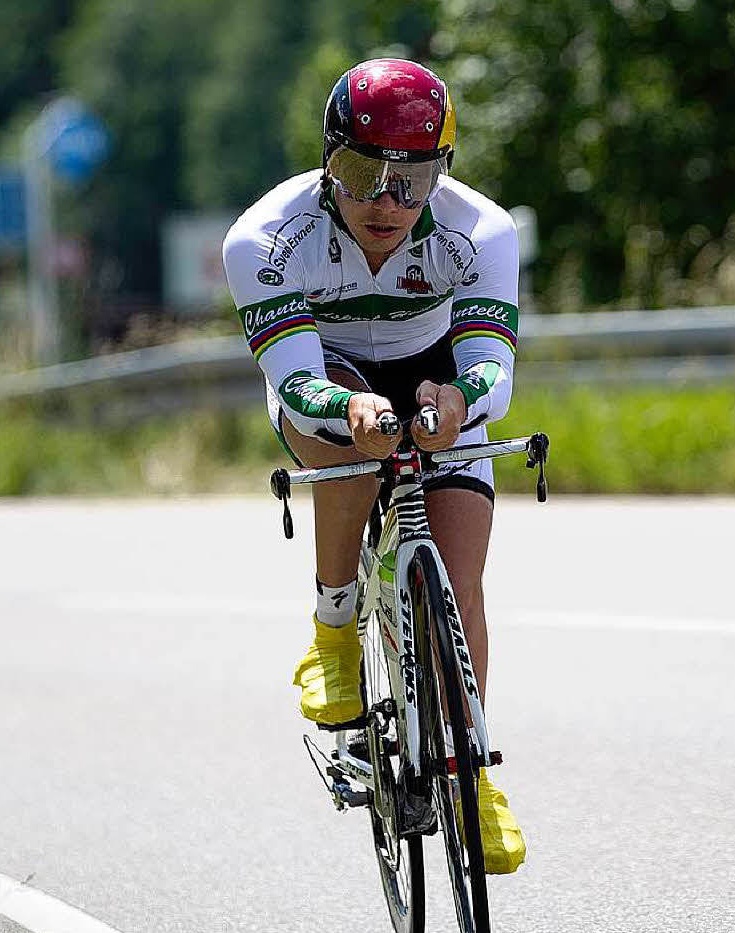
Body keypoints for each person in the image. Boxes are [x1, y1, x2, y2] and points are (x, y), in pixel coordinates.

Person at [222, 58, 525, 873]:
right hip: (329, 377)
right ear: (329, 162)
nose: (385, 202)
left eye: (413, 179)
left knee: (459, 582)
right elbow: (293, 379)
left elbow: (493, 367)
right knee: (354, 446)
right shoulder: (264, 238)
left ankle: (475, 778)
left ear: (441, 173)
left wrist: (458, 400)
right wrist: (346, 410)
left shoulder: (482, 230)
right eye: (363, 173)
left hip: (436, 379)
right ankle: (333, 632)